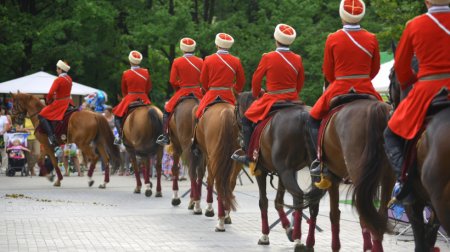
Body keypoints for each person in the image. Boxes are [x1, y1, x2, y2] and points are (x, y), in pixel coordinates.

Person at [308, 0, 382, 188]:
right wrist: (363, 79)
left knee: (313, 118)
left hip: (339, 86)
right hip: (366, 87)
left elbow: (328, 70)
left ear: (342, 16)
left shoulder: (332, 38)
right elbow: (375, 69)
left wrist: (341, 79)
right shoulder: (372, 37)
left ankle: (320, 162)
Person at [384, 0, 450, 201]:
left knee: (390, 135)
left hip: (427, 90)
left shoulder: (414, 25)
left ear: (426, 1)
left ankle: (405, 182)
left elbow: (402, 67)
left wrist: (413, 80)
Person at [231, 24, 305, 165]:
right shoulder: (297, 58)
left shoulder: (268, 57)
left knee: (246, 119)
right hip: (293, 99)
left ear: (276, 39)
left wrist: (256, 93)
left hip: (272, 99)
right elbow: (300, 82)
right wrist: (293, 94)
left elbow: (256, 79)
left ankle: (248, 156)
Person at [156, 38, 204, 145]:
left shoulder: (177, 61)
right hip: (198, 92)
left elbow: (172, 80)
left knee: (167, 110)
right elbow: (203, 79)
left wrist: (179, 89)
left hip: (183, 91)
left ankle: (165, 135)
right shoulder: (200, 61)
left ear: (182, 49)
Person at [195, 33, 245, 120]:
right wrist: (235, 90)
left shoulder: (208, 59)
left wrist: (208, 90)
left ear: (216, 44)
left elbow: (203, 80)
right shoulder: (236, 61)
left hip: (212, 94)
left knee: (198, 115)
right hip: (229, 95)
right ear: (229, 46)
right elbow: (241, 81)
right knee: (240, 119)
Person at [112, 50, 152, 145]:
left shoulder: (126, 73)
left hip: (130, 97)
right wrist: (143, 94)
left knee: (117, 116)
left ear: (130, 61)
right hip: (144, 97)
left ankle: (120, 136)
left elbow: (124, 89)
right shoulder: (146, 72)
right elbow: (149, 87)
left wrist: (126, 98)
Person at [38, 60, 73, 148]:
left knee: (41, 115)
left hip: (60, 103)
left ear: (61, 69)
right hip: (68, 102)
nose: (56, 71)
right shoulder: (69, 79)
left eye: (57, 69)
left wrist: (48, 101)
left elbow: (50, 94)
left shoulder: (58, 80)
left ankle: (51, 137)